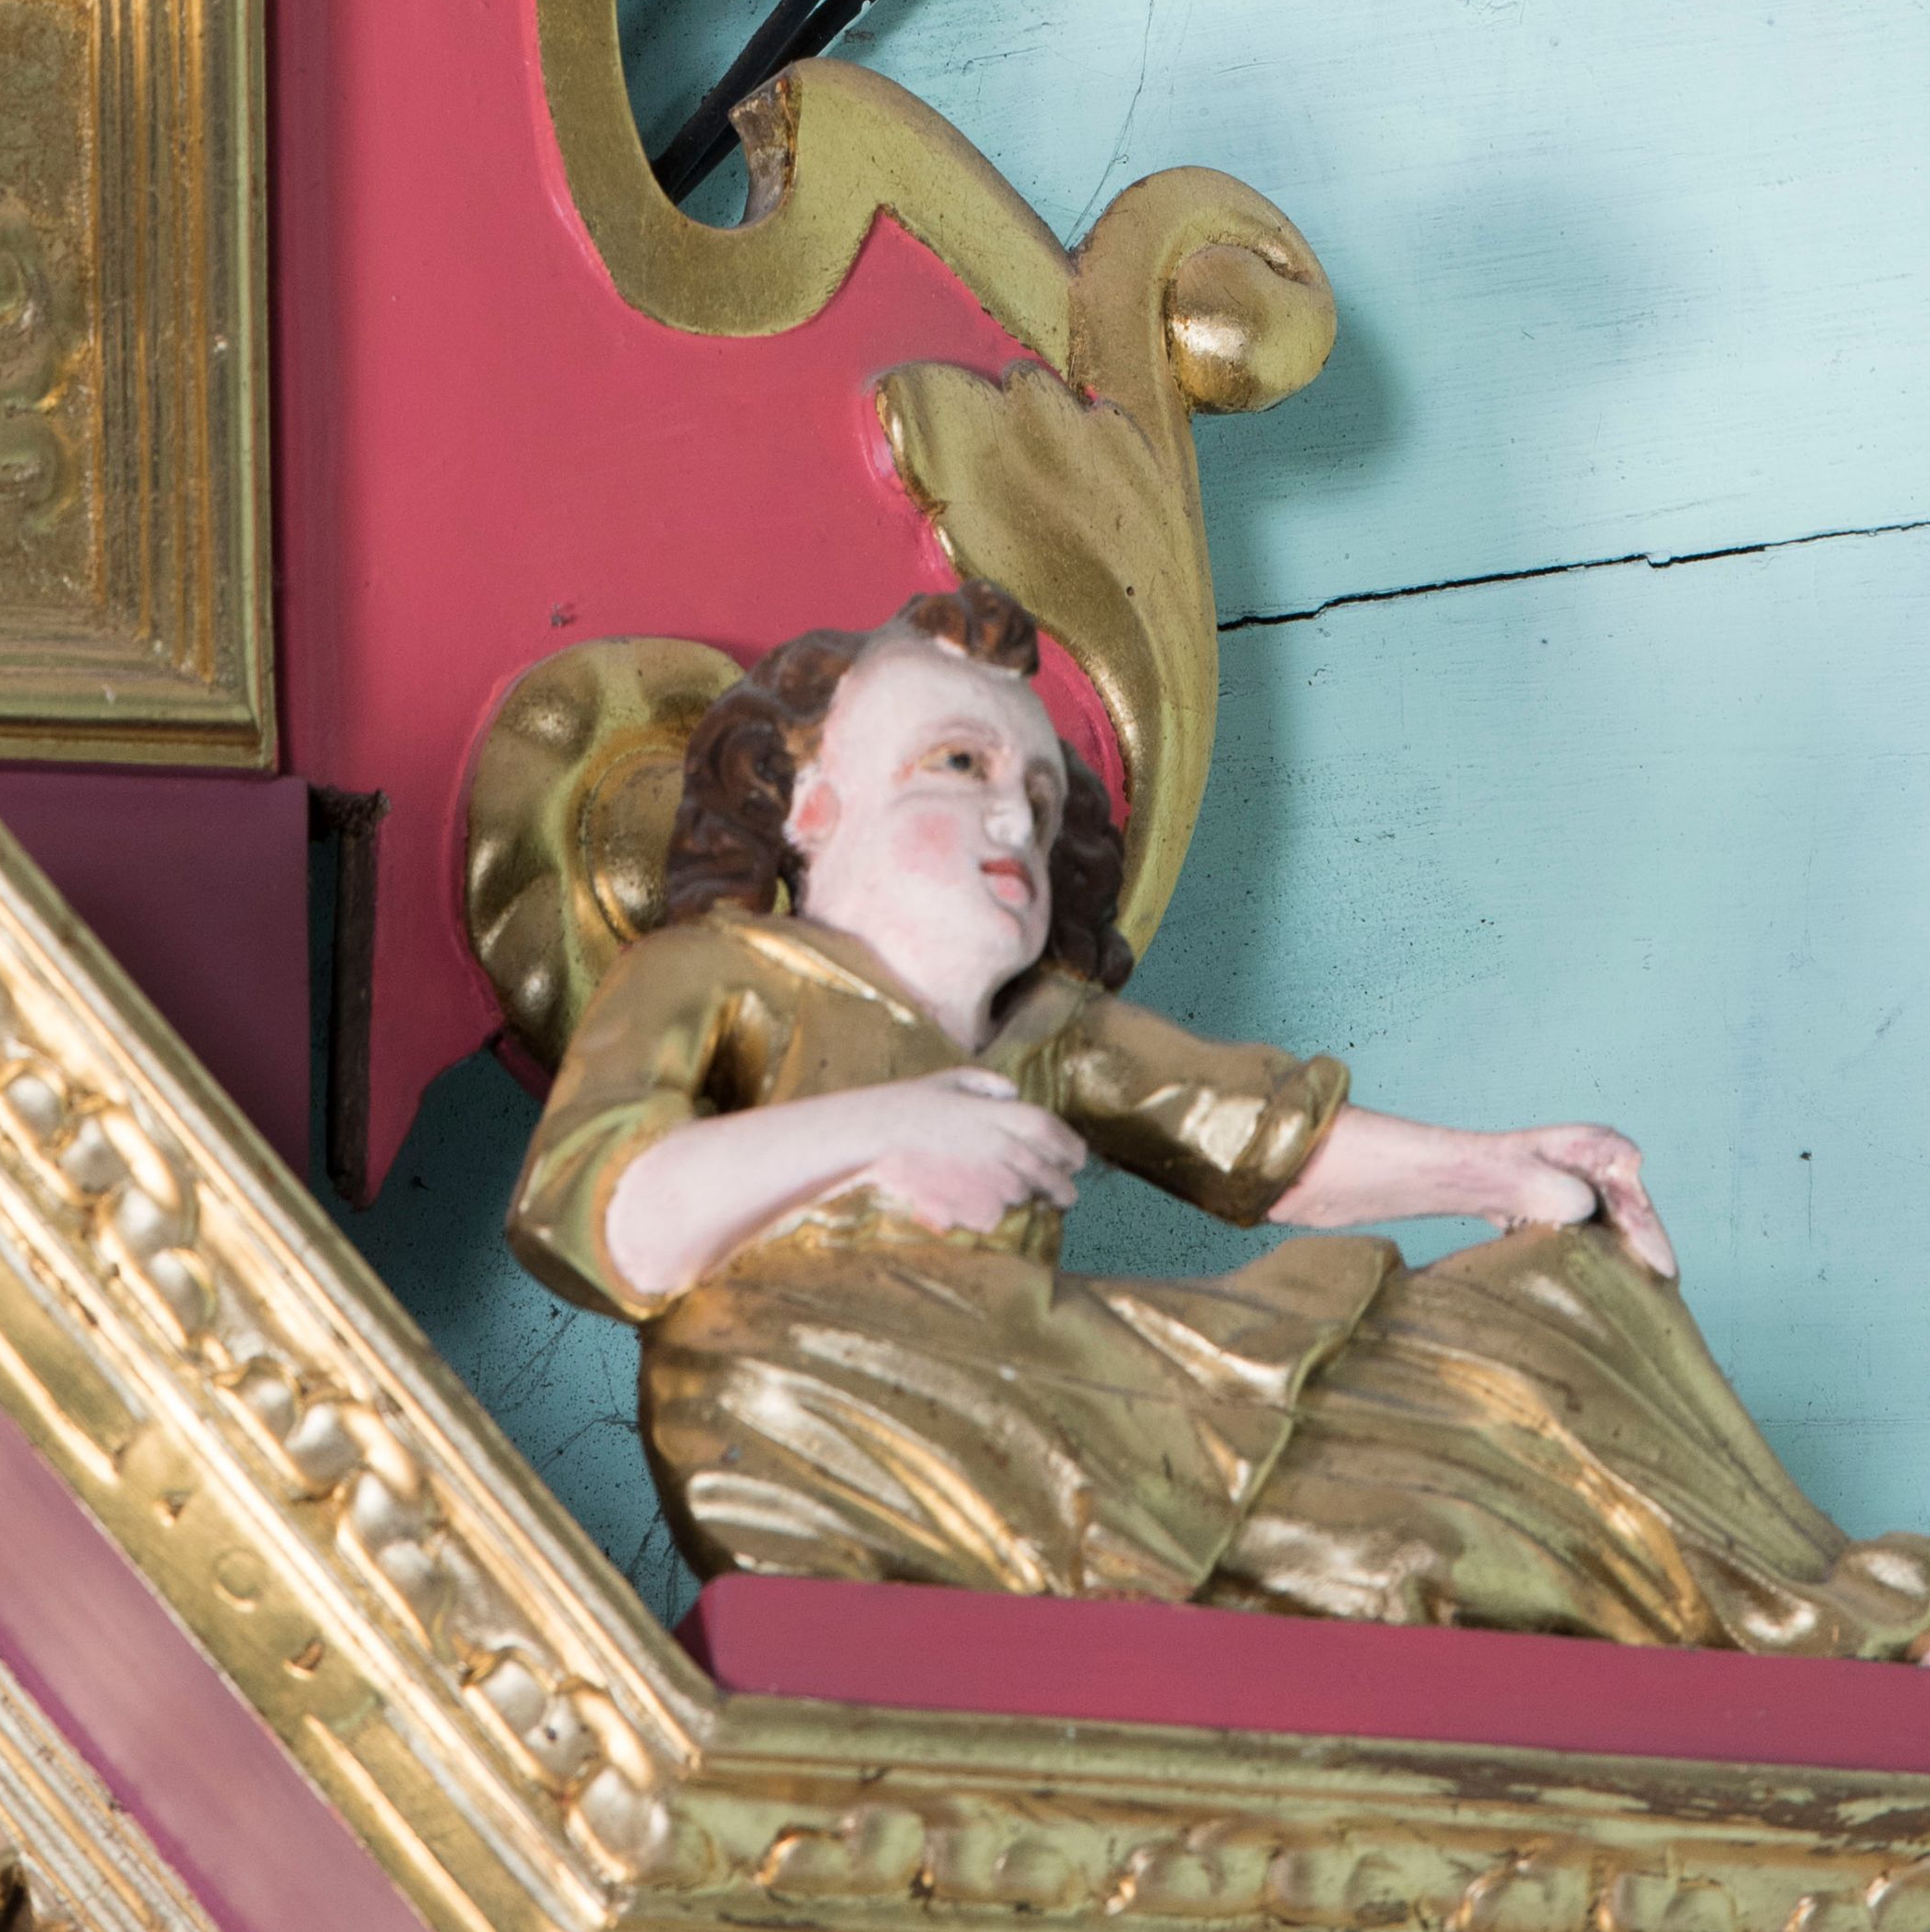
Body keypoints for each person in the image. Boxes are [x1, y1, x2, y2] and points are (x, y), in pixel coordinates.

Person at [512, 580, 1930, 1646]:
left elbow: (1268, 1142)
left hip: (1053, 1382)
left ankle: (1781, 1603)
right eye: (958, 766)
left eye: (1038, 792)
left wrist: (1499, 1168)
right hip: (808, 1389)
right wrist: (886, 1134)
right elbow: (594, 1218)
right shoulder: (718, 973)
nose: (1012, 819)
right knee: (795, 1377)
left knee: (1551, 1305)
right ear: (812, 806)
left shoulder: (1047, 1035)